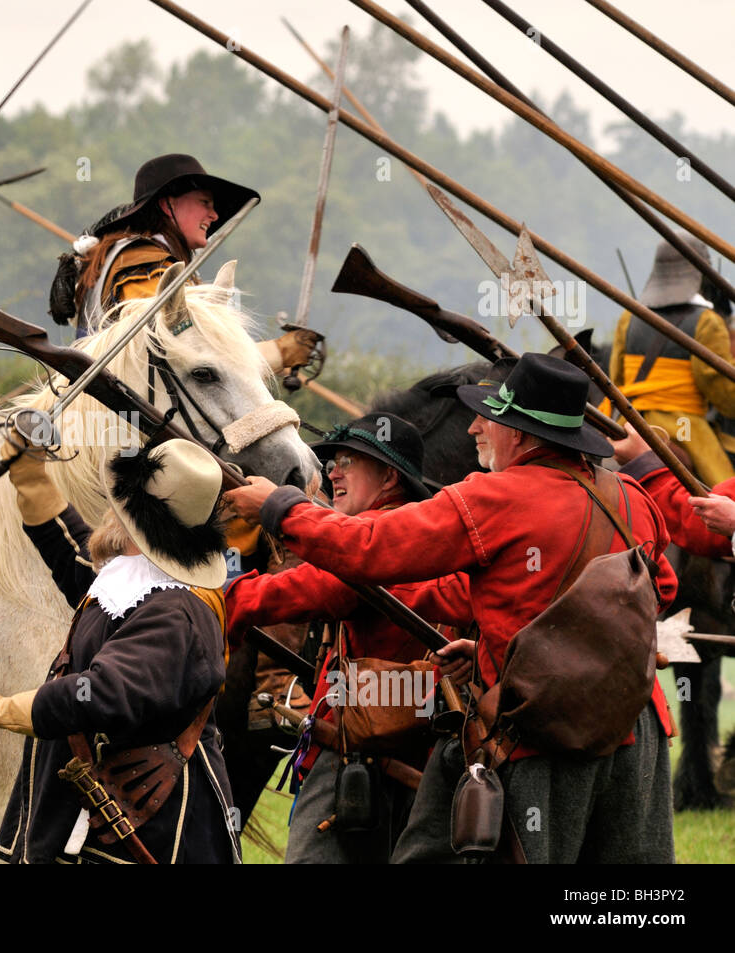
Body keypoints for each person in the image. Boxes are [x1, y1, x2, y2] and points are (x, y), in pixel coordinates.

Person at [225, 353, 678, 863]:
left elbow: (368, 548)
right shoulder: (632, 497)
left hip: (539, 729)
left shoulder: (493, 498)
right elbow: (657, 586)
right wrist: (496, 643)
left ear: (522, 435)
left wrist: (280, 507)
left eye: (493, 418)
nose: (476, 428)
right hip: (636, 725)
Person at [0, 435, 240, 863]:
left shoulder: (176, 612)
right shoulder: (138, 578)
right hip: (104, 819)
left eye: (118, 505)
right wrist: (30, 477)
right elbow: (73, 557)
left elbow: (103, 691)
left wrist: (1, 709)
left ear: (133, 523)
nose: (109, 511)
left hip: (153, 830)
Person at [225, 412, 461, 863]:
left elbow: (286, 593)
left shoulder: (379, 542)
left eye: (350, 461)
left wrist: (206, 598)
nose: (333, 471)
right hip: (407, 758)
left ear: (389, 475)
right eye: (332, 461)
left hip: (359, 762)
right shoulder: (408, 530)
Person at [49, 153, 317, 377]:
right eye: (204, 203)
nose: (213, 215)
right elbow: (185, 352)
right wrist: (280, 352)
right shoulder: (142, 262)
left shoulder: (142, 256)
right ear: (168, 205)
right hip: (122, 424)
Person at [608, 233, 735, 485]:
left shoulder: (629, 317)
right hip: (684, 428)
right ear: (700, 275)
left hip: (631, 422)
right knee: (723, 491)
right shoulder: (707, 322)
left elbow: (616, 378)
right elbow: (722, 392)